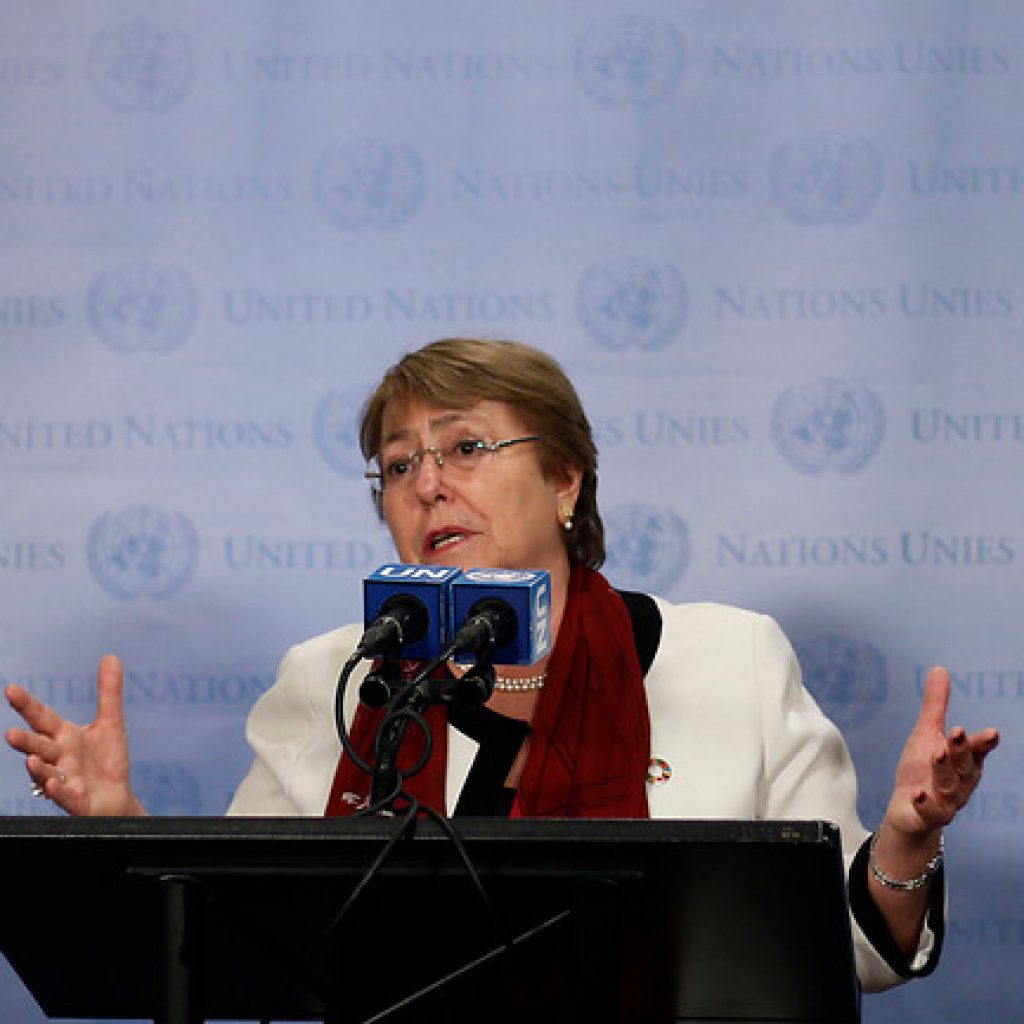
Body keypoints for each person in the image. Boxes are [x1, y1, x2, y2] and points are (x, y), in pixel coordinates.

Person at [5, 337, 1000, 996]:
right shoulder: (329, 679)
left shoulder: (730, 659)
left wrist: (906, 838)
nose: (428, 484)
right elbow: (241, 947)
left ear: (566, 479)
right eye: (400, 463)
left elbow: (856, 952)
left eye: (467, 446)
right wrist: (120, 830)